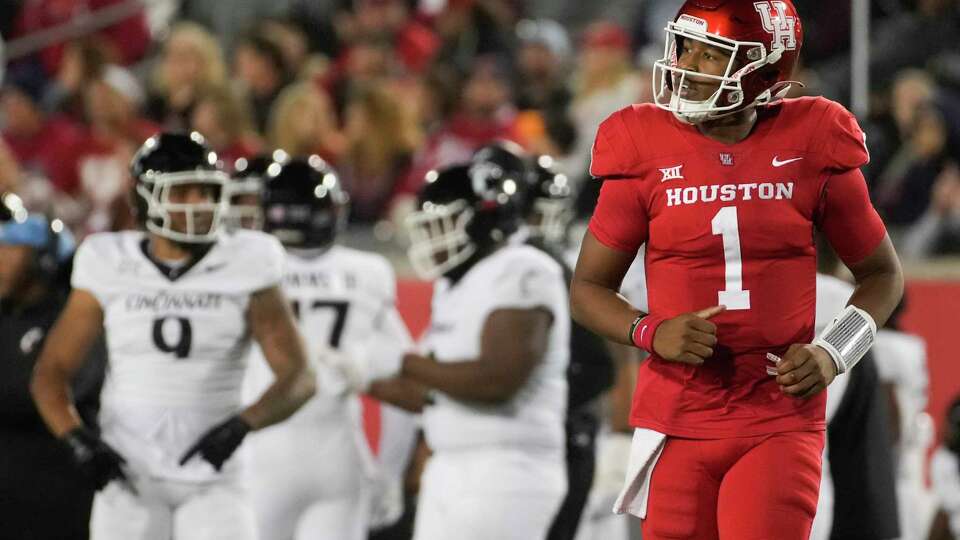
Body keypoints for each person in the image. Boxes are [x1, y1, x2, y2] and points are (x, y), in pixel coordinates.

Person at [569, 2, 905, 539]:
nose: (687, 65)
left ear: (764, 67)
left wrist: (834, 350)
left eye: (710, 54)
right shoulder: (643, 144)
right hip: (676, 415)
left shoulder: (813, 137)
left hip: (776, 417)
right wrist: (650, 330)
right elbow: (587, 288)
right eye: (687, 47)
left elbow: (883, 275)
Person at [30, 132, 316, 540]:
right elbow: (51, 372)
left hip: (215, 480)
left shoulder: (248, 259)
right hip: (128, 478)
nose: (198, 205)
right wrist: (78, 442)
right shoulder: (107, 261)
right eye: (182, 193)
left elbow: (300, 376)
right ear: (145, 198)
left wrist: (239, 428)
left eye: (206, 192)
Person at [241, 154, 416, 540]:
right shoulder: (368, 273)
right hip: (338, 454)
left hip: (263, 452)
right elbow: (406, 380)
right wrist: (388, 472)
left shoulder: (248, 267)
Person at [399, 163, 570, 540]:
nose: (431, 236)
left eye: (441, 224)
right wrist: (354, 371)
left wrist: (403, 361)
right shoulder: (455, 284)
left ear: (479, 220)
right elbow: (430, 388)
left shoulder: (523, 268)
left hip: (508, 468)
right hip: (452, 465)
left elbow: (496, 381)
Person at [0, 193, 106, 540]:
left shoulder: (74, 320)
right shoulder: (6, 316)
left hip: (56, 489)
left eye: (8, 250)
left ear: (44, 260)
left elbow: (64, 392)